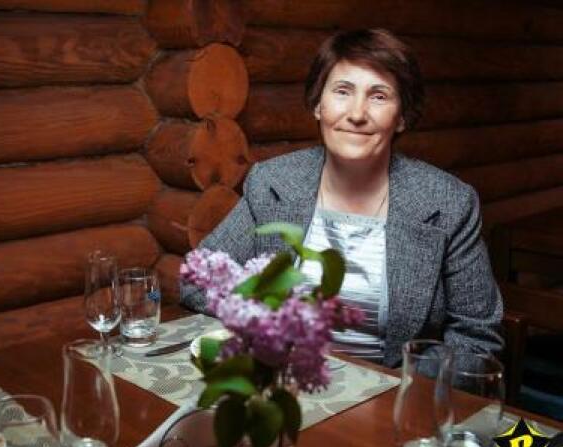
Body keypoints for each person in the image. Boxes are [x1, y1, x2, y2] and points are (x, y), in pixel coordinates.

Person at [180, 28, 503, 367]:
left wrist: (407, 384)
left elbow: (478, 338)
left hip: (392, 391)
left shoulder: (448, 203)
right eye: (342, 91)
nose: (357, 113)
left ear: (402, 117)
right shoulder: (274, 183)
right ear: (318, 105)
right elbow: (197, 279)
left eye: (379, 96)